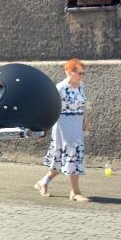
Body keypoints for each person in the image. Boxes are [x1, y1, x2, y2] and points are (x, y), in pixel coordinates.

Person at [35, 59, 91, 201]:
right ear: (69, 72)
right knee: (72, 154)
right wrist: (43, 130)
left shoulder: (81, 86)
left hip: (77, 123)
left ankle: (43, 182)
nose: (82, 76)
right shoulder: (60, 88)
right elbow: (50, 110)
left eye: (83, 73)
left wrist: (85, 121)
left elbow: (82, 105)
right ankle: (75, 192)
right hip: (64, 124)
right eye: (80, 73)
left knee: (60, 159)